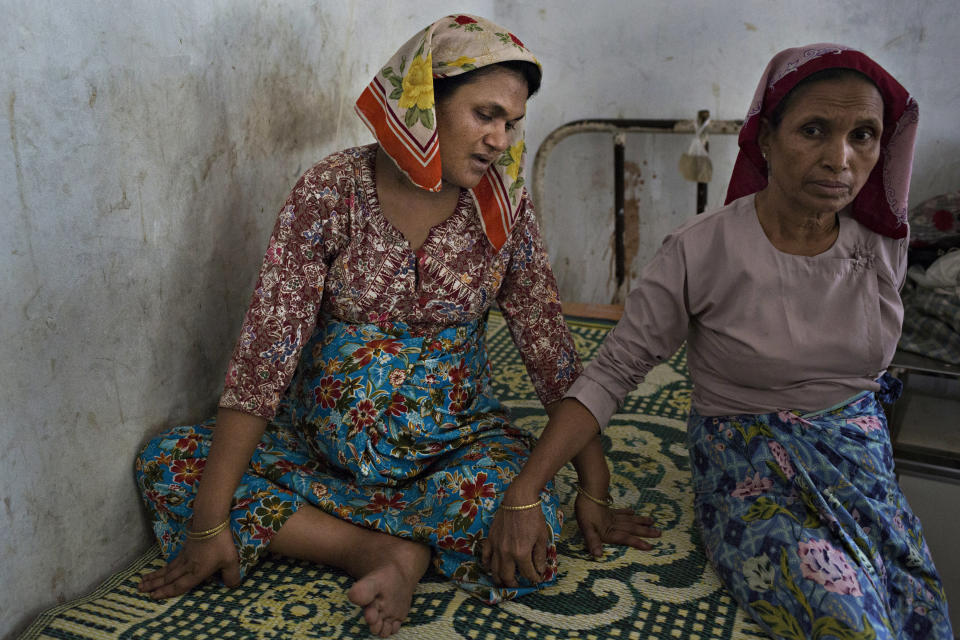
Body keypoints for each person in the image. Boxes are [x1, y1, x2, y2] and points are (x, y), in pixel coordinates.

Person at [134, 14, 658, 638]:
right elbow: (264, 354)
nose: (500, 140)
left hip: (453, 451)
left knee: (527, 528)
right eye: (484, 114)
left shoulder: (502, 207)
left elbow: (548, 347)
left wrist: (591, 484)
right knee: (170, 465)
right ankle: (380, 551)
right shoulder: (331, 192)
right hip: (317, 452)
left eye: (512, 123)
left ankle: (362, 539)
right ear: (423, 104)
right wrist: (208, 523)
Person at [484, 44, 954, 639]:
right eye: (814, 130)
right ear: (766, 138)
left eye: (864, 135)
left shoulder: (881, 244)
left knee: (920, 609)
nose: (841, 158)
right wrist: (528, 488)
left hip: (854, 450)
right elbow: (612, 373)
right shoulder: (702, 250)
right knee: (849, 621)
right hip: (746, 454)